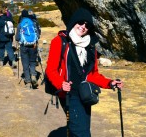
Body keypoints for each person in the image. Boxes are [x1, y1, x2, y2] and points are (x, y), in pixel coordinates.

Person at [45, 8, 124, 137]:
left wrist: (110, 83)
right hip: (69, 95)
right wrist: (61, 84)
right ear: (74, 22)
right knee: (82, 133)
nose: (83, 27)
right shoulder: (59, 42)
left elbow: (93, 75)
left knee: (83, 129)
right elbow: (51, 70)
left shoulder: (90, 47)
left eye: (87, 25)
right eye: (81, 22)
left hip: (86, 94)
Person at [16, 9, 40, 88]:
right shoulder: (33, 23)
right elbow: (38, 35)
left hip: (24, 46)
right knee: (32, 61)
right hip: (33, 45)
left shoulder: (20, 24)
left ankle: (28, 81)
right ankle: (33, 74)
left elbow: (17, 37)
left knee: (25, 63)